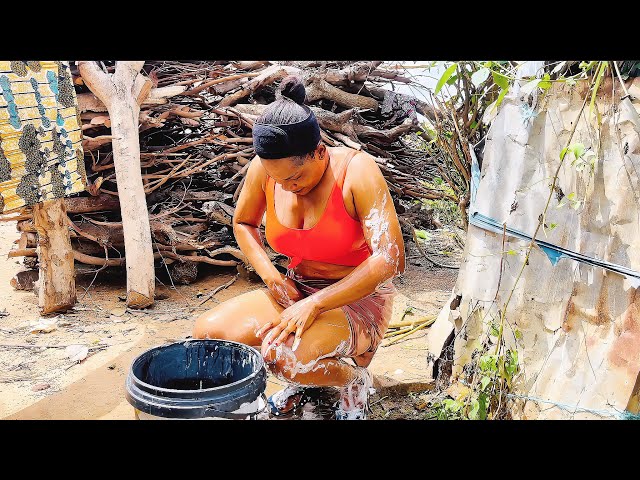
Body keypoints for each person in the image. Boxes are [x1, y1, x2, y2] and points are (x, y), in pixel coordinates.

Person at [193, 75, 405, 419]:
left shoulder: (356, 171)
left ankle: (353, 381)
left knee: (284, 357)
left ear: (319, 151)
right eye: (278, 181)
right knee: (208, 337)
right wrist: (273, 278)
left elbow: (389, 258)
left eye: (295, 179)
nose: (287, 189)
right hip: (295, 291)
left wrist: (316, 304)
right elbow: (244, 224)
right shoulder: (265, 170)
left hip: (357, 299)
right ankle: (308, 384)